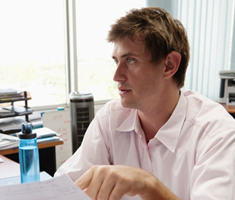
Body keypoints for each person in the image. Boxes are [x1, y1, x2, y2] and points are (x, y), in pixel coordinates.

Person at [55, 7, 235, 200]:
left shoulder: (217, 133)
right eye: (116, 62)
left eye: (130, 61)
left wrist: (148, 185)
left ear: (169, 66)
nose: (116, 76)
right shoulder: (110, 118)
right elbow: (64, 189)